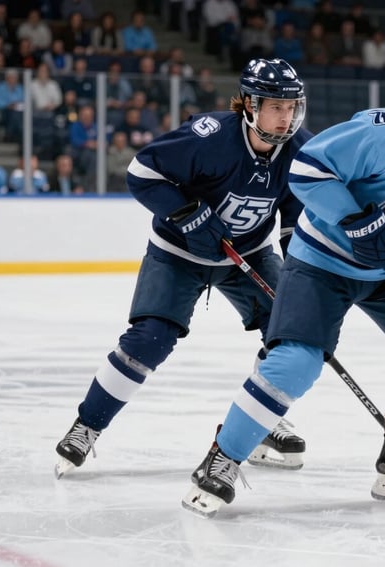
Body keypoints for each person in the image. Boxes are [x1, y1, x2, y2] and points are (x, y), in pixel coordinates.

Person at [181, 57, 385, 517]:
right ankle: (223, 457)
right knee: (295, 364)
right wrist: (353, 220)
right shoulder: (383, 134)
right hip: (321, 263)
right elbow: (308, 169)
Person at [54, 58, 314, 479]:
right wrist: (188, 214)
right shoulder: (209, 137)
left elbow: (293, 207)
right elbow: (141, 172)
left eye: (291, 108)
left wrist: (295, 262)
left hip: (247, 254)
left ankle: (261, 420)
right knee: (150, 339)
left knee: (291, 333)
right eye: (276, 107)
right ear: (249, 104)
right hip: (177, 253)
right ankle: (87, 426)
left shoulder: (299, 147)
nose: (286, 119)